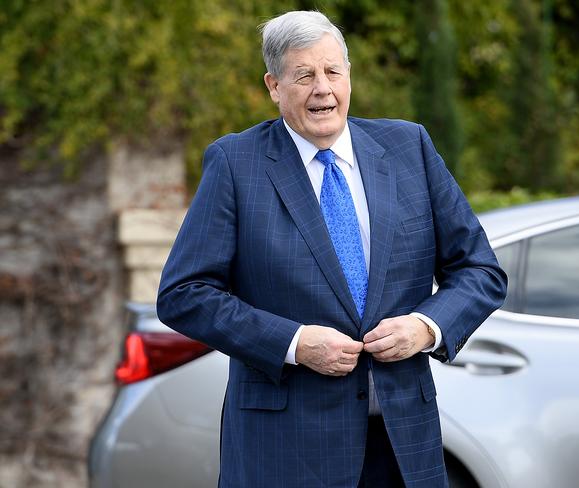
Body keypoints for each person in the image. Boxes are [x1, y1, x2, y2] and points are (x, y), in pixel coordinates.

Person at [157, 10, 506, 488]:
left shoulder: (409, 147)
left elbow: (479, 270)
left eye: (332, 71)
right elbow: (185, 293)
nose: (322, 88)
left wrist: (426, 327)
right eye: (304, 75)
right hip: (284, 450)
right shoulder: (237, 164)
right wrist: (295, 344)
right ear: (274, 86)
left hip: (403, 444)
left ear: (348, 76)